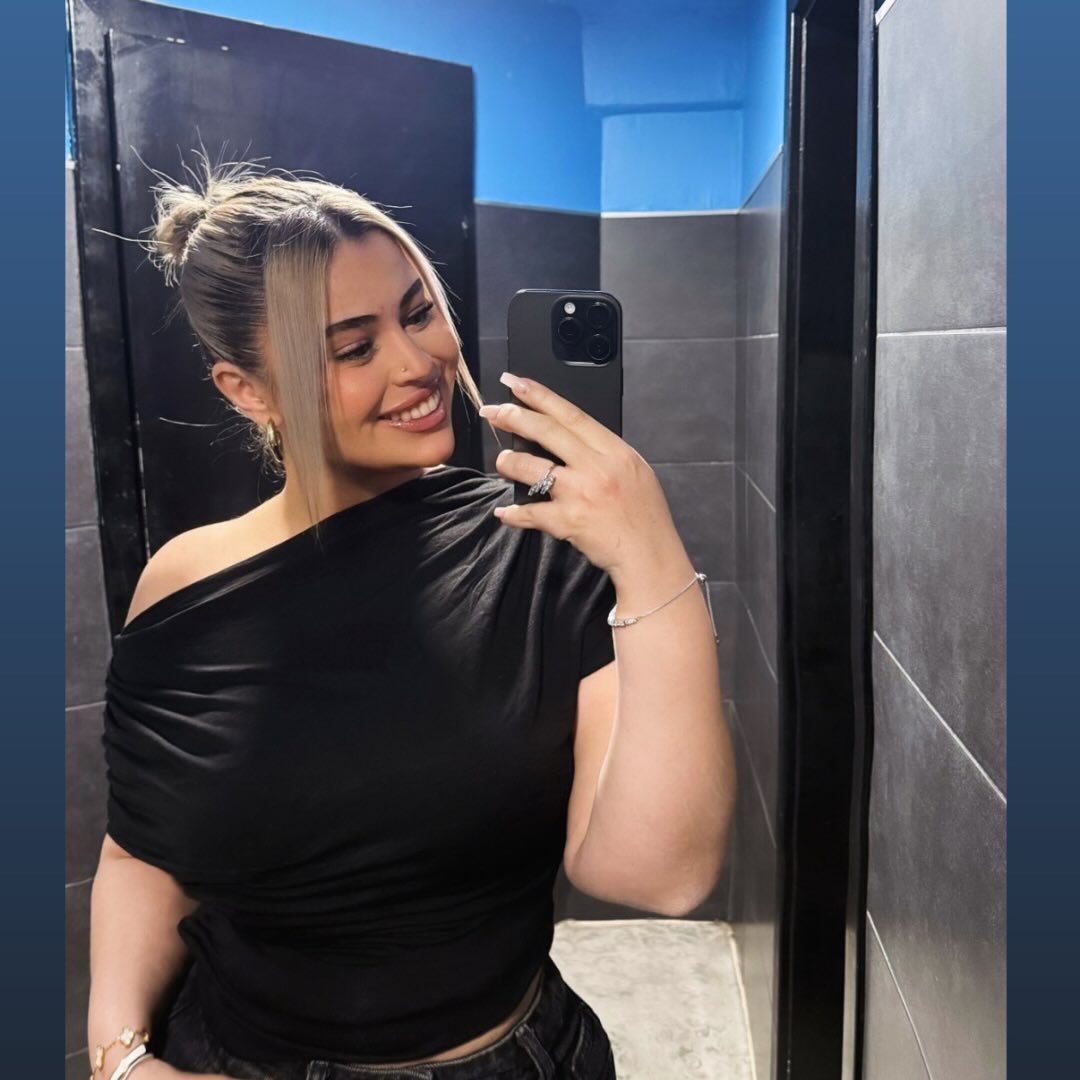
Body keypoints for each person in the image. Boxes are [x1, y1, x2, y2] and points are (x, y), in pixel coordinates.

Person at [86, 159, 734, 1080]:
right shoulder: (181, 582)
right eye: (354, 349)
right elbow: (141, 851)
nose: (417, 361)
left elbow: (658, 874)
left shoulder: (539, 548)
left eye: (418, 311)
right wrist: (119, 1057)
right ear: (248, 391)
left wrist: (653, 557)